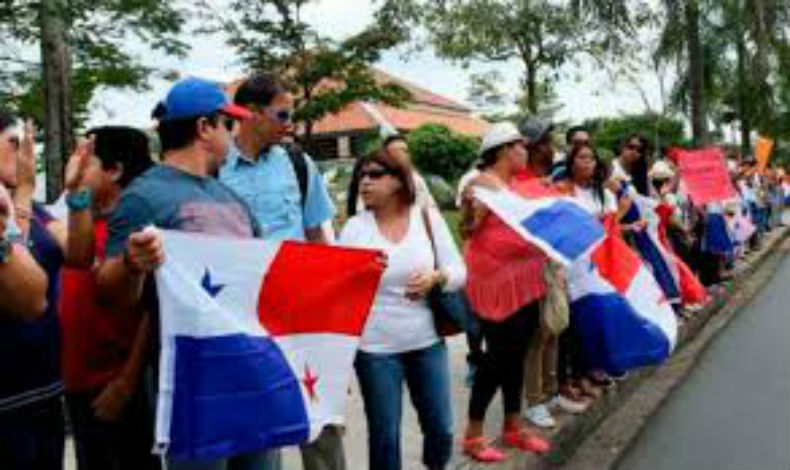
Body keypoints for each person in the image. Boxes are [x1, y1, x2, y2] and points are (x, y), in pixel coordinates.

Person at [95, 77, 272, 470]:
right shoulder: (144, 196)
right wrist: (129, 263)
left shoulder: (233, 199)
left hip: (250, 376)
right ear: (204, 127)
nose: (236, 132)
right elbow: (110, 293)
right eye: (229, 123)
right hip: (192, 386)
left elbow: (265, 278)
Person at [219, 73, 342, 470]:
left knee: (319, 417)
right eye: (282, 113)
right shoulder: (214, 168)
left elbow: (317, 235)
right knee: (257, 422)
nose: (289, 122)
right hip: (240, 315)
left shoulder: (297, 163)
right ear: (252, 114)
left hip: (298, 310)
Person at [340, 149, 465, 470]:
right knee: (385, 436)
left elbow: (459, 270)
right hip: (375, 349)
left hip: (426, 341)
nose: (365, 182)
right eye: (362, 176)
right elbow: (339, 290)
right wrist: (360, 275)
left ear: (399, 181)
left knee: (441, 428)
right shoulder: (354, 228)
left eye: (375, 175)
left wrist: (437, 276)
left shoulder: (426, 217)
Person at [0, 110, 96, 469]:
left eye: (28, 145)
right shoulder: (18, 203)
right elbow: (28, 296)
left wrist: (79, 195)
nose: (26, 155)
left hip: (44, 386)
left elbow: (80, 255)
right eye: (14, 143)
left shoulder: (36, 211)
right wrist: (23, 191)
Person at [59, 126, 158, 470]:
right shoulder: (81, 220)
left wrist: (127, 382)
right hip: (79, 384)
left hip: (116, 388)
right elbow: (79, 258)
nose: (76, 163)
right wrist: (77, 191)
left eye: (87, 159)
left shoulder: (136, 227)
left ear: (114, 170)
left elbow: (151, 312)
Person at [459, 122, 551, 462]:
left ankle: (513, 426)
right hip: (497, 283)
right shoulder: (482, 183)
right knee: (496, 359)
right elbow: (467, 229)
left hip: (524, 279)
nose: (526, 152)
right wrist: (471, 208)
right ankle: (473, 435)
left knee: (517, 356)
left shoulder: (514, 185)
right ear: (502, 150)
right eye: (520, 146)